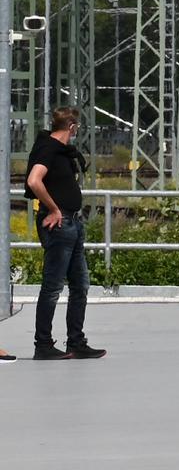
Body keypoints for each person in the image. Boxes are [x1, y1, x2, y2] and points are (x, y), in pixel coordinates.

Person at [25, 106, 105, 360]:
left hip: (72, 223)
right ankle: (43, 344)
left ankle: (76, 342)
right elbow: (33, 180)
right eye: (77, 128)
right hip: (58, 226)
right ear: (71, 127)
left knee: (80, 284)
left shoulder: (60, 151)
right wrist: (53, 209)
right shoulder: (48, 149)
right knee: (52, 286)